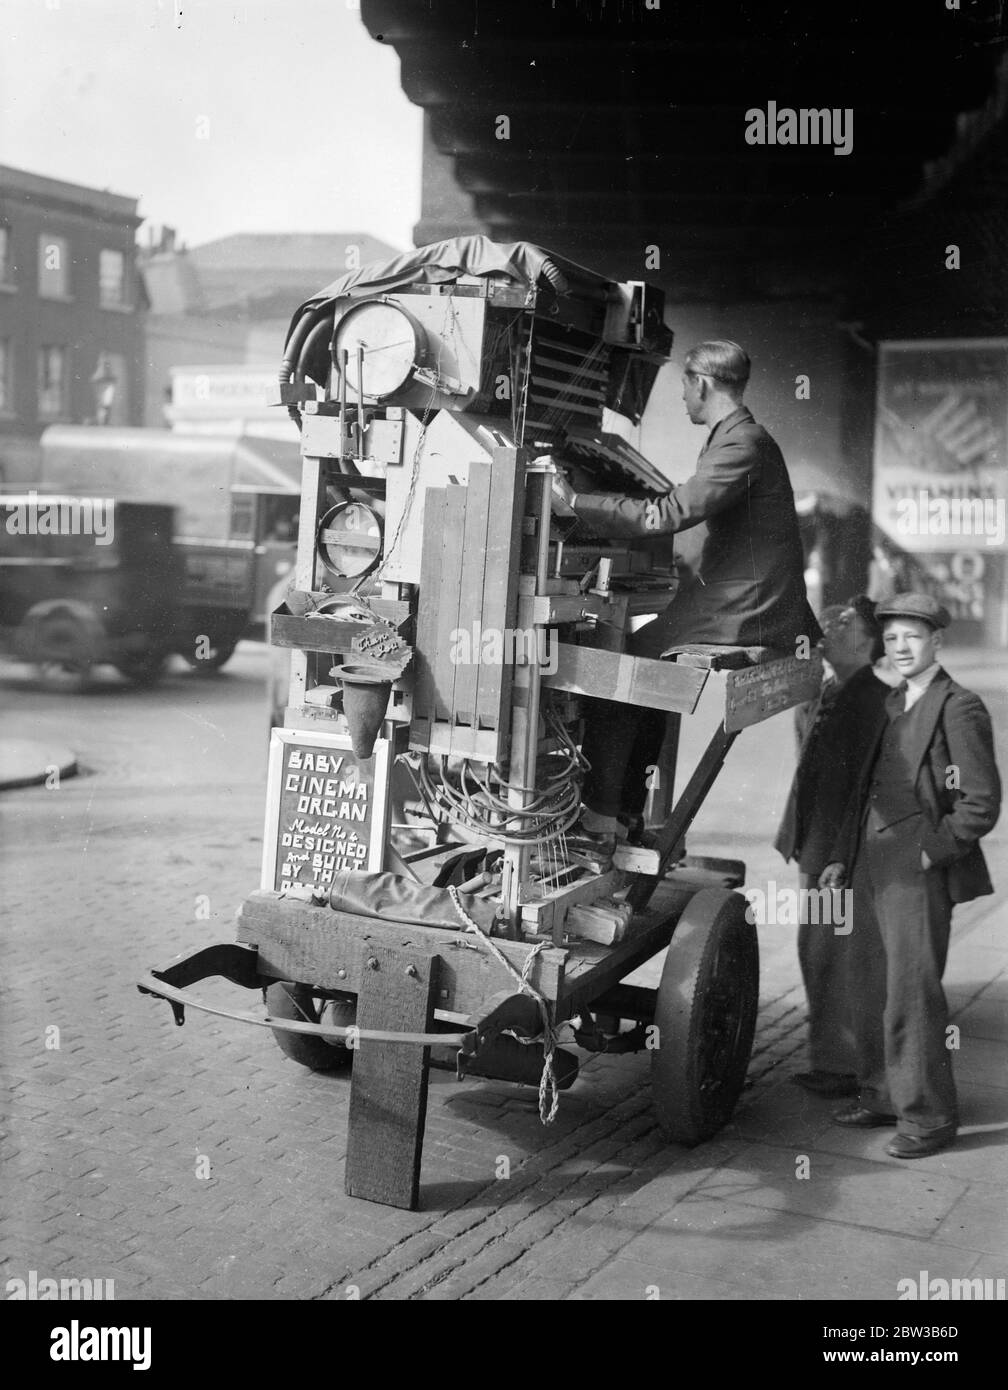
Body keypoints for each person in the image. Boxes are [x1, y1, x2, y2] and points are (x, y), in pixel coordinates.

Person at [551, 340, 820, 846]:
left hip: (743, 609)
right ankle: (624, 811)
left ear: (701, 383)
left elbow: (669, 513)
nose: (682, 400)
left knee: (619, 673)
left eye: (683, 388)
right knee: (646, 679)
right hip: (730, 597)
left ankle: (602, 817)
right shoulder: (735, 438)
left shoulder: (744, 443)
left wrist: (577, 500)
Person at [819, 593, 1001, 1158]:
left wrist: (933, 851)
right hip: (870, 863)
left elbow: (981, 801)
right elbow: (862, 791)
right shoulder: (890, 700)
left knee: (911, 993)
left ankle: (928, 1118)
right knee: (870, 983)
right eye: (892, 638)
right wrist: (839, 858)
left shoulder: (959, 707)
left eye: (913, 638)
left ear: (936, 642)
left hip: (918, 870)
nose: (900, 648)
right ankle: (882, 1094)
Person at [775, 596, 898, 1096]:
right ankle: (831, 1058)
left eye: (843, 624)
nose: (828, 625)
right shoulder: (825, 689)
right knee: (817, 949)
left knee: (835, 955)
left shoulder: (872, 701)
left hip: (838, 854)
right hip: (815, 843)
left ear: (868, 644)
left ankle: (842, 1067)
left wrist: (839, 859)